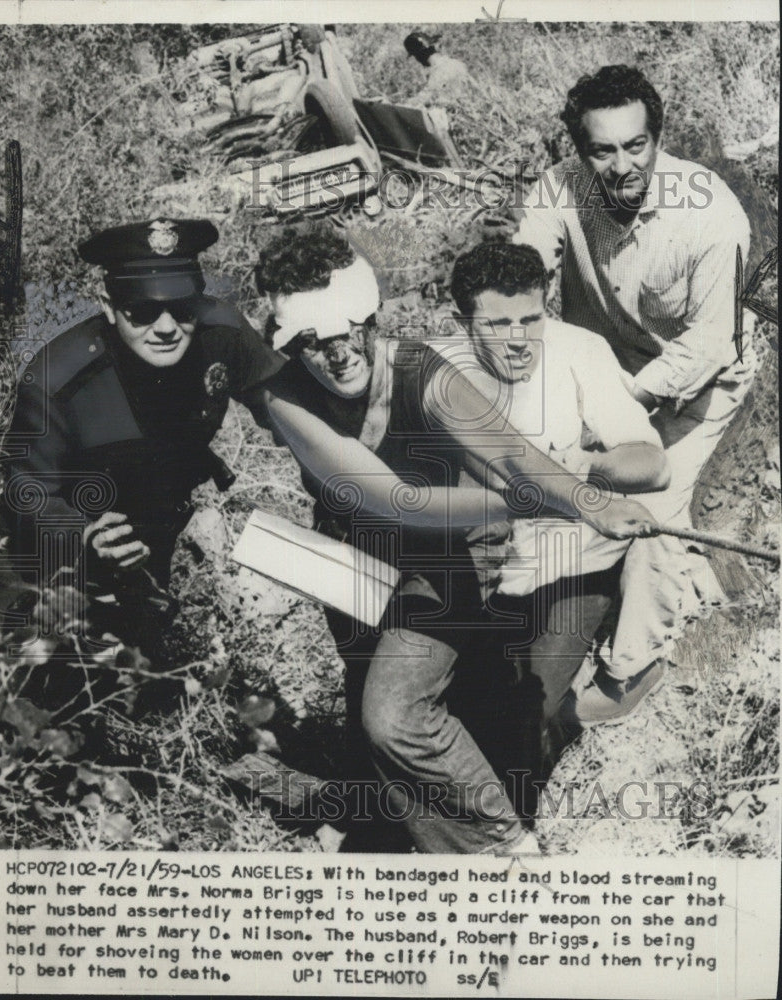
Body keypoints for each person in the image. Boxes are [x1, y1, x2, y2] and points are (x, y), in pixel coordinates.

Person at [257, 224, 658, 854]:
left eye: (350, 331)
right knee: (371, 709)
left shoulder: (423, 370)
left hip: (440, 561)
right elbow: (388, 498)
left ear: (373, 318)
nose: (338, 354)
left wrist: (584, 500)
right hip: (350, 558)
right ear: (289, 345)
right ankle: (411, 841)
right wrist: (524, 501)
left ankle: (502, 848)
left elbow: (514, 455)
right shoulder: (283, 397)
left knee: (393, 714)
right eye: (313, 342)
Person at [514, 64, 755, 721]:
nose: (621, 165)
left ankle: (630, 671)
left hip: (695, 379)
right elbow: (520, 281)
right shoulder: (557, 188)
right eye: (601, 149)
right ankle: (545, 620)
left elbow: (708, 345)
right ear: (577, 147)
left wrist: (616, 406)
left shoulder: (709, 216)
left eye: (635, 145)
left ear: (657, 136)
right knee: (544, 475)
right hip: (607, 366)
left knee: (655, 512)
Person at [0, 218, 284, 658]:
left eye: (182, 308)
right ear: (107, 304)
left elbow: (289, 410)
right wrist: (85, 536)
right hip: (46, 551)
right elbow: (26, 493)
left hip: (142, 544)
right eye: (141, 311)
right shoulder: (59, 379)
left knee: (135, 687)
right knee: (15, 687)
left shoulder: (223, 335)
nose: (166, 327)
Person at [444, 239, 670, 796]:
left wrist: (580, 471)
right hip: (489, 580)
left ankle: (566, 720)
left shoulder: (578, 350)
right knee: (460, 718)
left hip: (575, 568)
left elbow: (652, 464)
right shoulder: (435, 371)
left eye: (531, 318)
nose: (519, 340)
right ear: (462, 322)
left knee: (525, 720)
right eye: (498, 325)